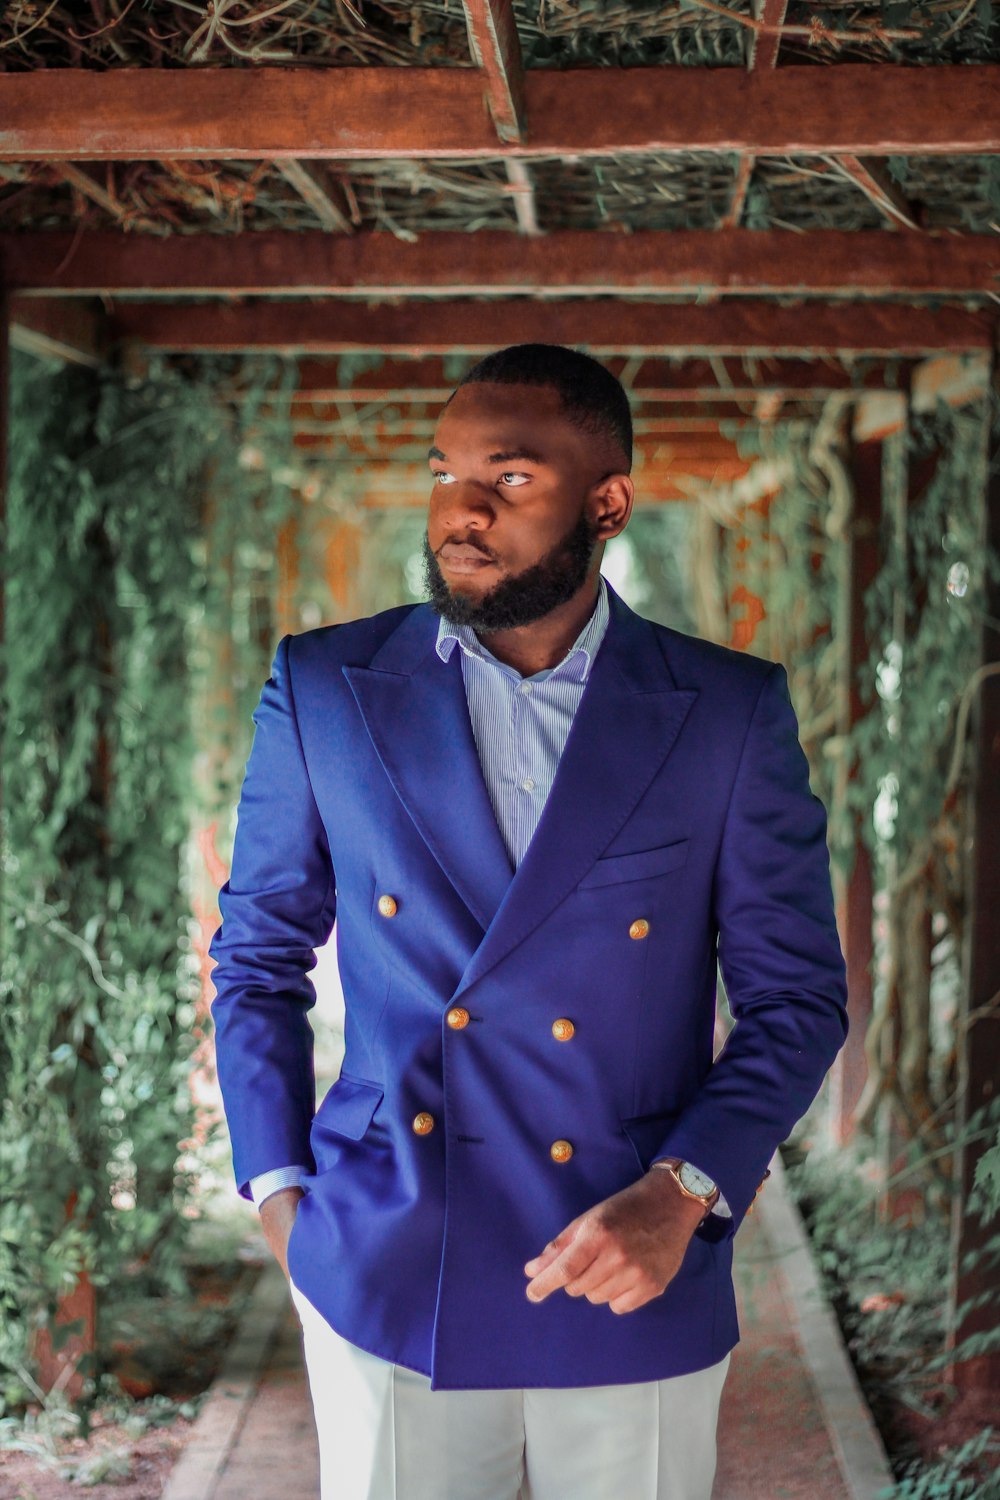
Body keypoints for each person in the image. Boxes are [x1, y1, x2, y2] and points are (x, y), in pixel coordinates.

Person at [208, 342, 849, 1500]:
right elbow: (257, 959)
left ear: (606, 504)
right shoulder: (323, 687)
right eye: (444, 474)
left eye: (506, 481)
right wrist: (278, 1196)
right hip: (387, 1249)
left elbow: (797, 1000)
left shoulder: (724, 713)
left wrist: (684, 1195)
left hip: (628, 1253)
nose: (460, 512)